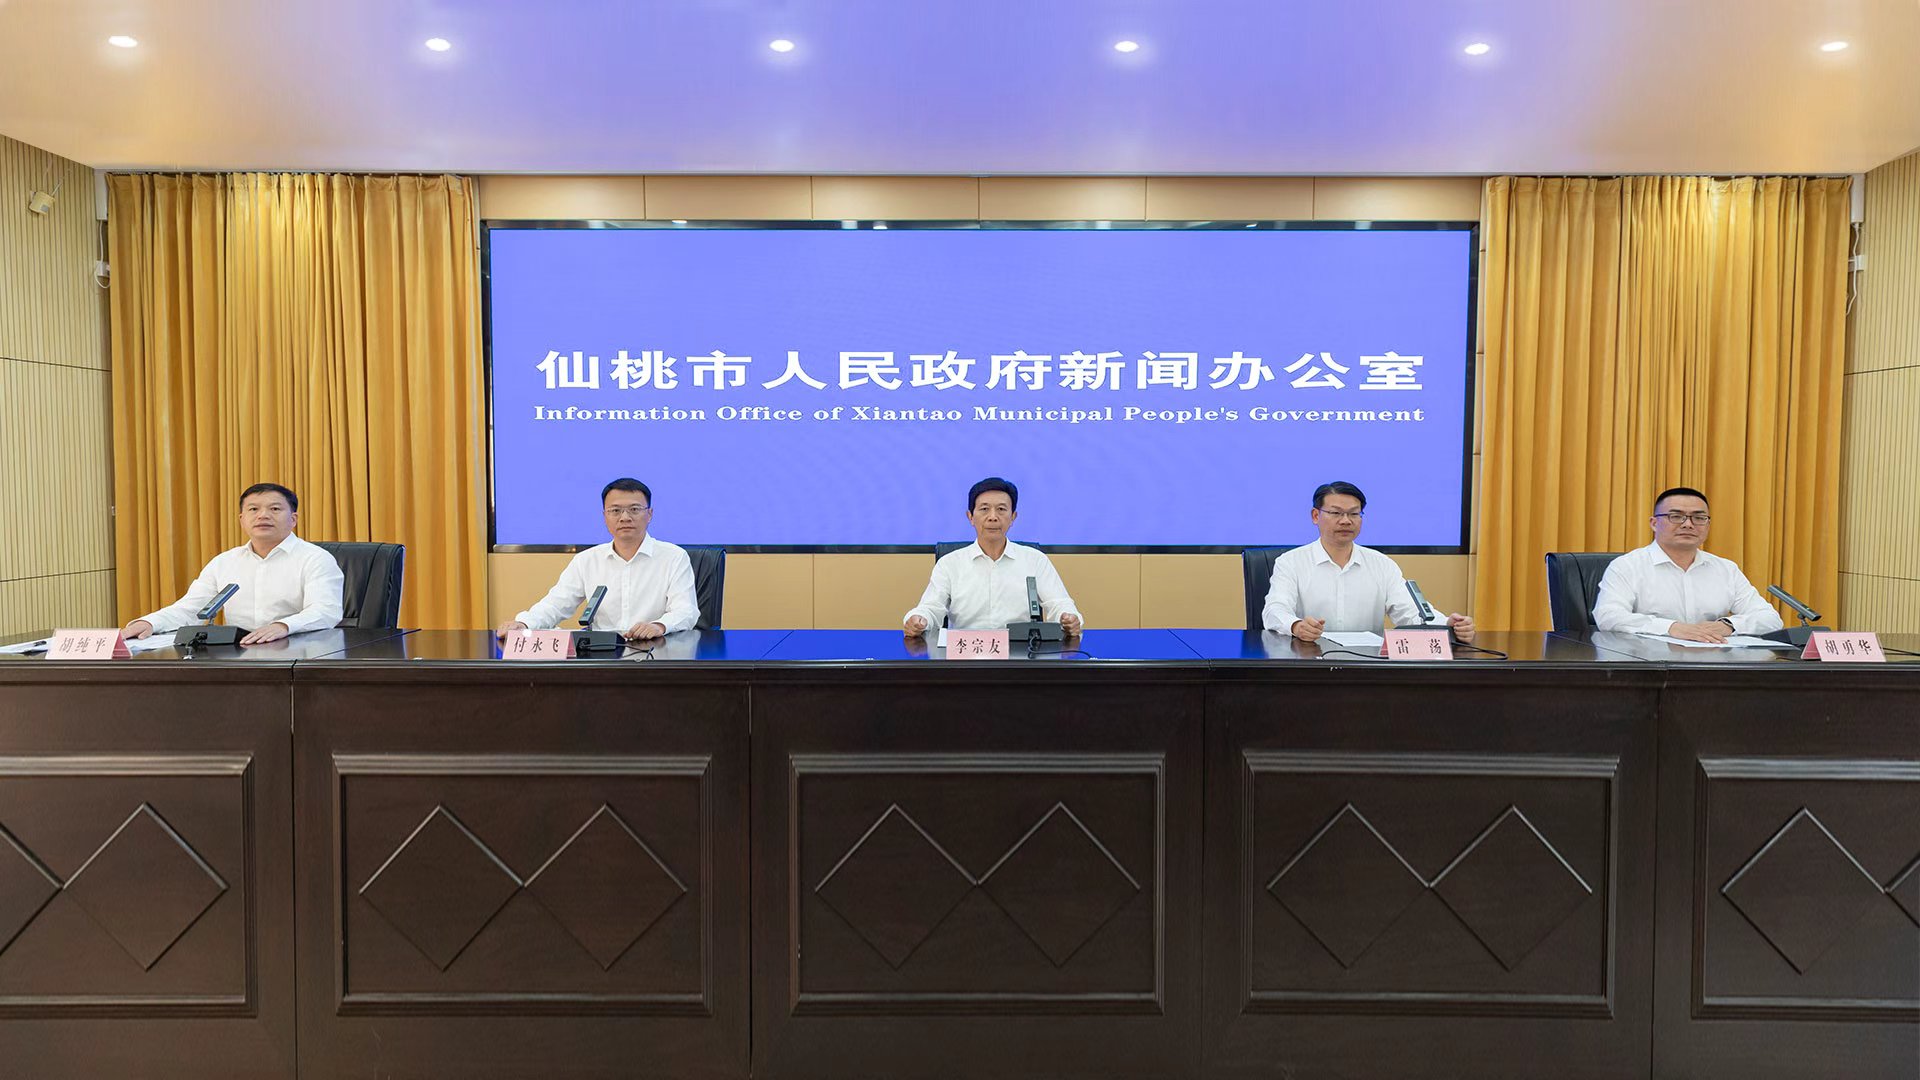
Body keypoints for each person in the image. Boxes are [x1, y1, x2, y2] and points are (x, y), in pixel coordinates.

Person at [123, 482, 344, 646]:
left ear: (293, 519)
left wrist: (283, 626)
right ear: (242, 519)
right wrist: (149, 623)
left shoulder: (315, 559)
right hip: (238, 654)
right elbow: (190, 609)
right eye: (253, 509)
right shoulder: (225, 562)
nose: (263, 515)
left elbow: (325, 610)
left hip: (297, 651)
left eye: (275, 509)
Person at [1261, 480, 1475, 642]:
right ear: (1315, 516)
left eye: (1354, 514)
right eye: (1336, 513)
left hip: (1366, 666)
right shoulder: (1290, 562)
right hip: (1307, 661)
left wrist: (1448, 624)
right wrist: (1296, 626)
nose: (1346, 521)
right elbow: (1274, 610)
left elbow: (1410, 613)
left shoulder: (1382, 564)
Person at [496, 478, 699, 641]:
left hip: (656, 652)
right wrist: (524, 623)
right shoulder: (587, 560)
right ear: (604, 516)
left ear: (650, 514)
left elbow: (686, 611)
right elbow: (556, 604)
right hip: (604, 654)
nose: (625, 517)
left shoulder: (674, 557)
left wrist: (659, 626)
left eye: (635, 509)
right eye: (615, 510)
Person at [1592, 486, 1783, 642]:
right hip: (1647, 665)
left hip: (1712, 664)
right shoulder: (1627, 566)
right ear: (1654, 523)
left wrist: (1728, 625)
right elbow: (1608, 616)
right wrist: (1671, 627)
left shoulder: (1726, 569)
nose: (1688, 524)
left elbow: (1770, 618)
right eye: (1676, 516)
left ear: (1707, 525)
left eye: (1699, 518)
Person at [903, 476, 1083, 636]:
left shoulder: (1035, 560)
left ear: (1013, 517)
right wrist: (919, 619)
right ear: (970, 517)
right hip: (965, 654)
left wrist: (1068, 618)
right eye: (984, 509)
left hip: (1020, 653)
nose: (993, 517)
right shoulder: (949, 564)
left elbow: (1059, 603)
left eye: (1001, 509)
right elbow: (930, 608)